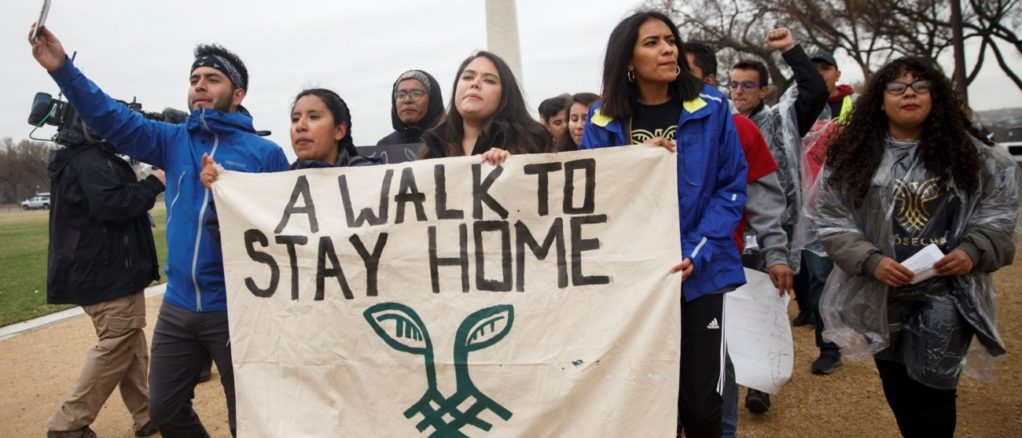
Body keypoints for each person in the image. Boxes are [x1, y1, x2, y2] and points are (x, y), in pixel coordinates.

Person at [30, 25, 290, 437]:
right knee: (164, 411)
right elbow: (110, 118)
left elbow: (284, 233)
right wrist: (63, 70)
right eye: (194, 80)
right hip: (179, 305)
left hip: (237, 309)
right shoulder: (170, 140)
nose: (199, 87)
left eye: (212, 79)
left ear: (238, 94)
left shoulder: (267, 155)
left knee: (252, 417)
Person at [812, 57, 1019, 437]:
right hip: (881, 292)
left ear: (936, 97)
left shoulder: (973, 157)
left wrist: (973, 250)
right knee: (900, 391)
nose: (909, 93)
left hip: (947, 293)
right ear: (880, 99)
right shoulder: (854, 158)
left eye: (920, 86)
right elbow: (831, 218)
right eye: (897, 87)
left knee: (934, 390)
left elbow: (999, 215)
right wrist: (870, 260)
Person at [579, 11, 747, 438]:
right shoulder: (601, 119)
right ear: (628, 60)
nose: (668, 49)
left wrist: (695, 249)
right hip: (634, 280)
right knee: (643, 399)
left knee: (702, 406)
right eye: (652, 42)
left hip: (701, 272)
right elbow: (594, 194)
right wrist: (636, 163)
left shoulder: (712, 106)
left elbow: (730, 186)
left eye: (670, 39)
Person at [684, 41, 790, 436]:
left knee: (717, 362)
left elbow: (764, 200)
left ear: (708, 81)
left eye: (683, 70)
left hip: (717, 266)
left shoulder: (739, 128)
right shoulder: (638, 127)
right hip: (659, 272)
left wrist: (777, 254)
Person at [45, 143, 164, 438]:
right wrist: (154, 183)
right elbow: (113, 204)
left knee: (129, 341)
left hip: (103, 270)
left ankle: (146, 414)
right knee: (117, 343)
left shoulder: (84, 159)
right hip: (108, 272)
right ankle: (68, 424)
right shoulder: (91, 160)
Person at [729, 30, 827, 339]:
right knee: (731, 310)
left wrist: (790, 50)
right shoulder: (720, 125)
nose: (739, 91)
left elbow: (814, 92)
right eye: (733, 84)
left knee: (765, 310)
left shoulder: (782, 121)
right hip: (731, 230)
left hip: (772, 231)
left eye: (748, 85)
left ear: (764, 90)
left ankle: (760, 384)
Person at [202, 88, 380, 187]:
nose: (300, 126)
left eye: (314, 117)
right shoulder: (279, 185)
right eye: (295, 119)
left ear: (339, 130)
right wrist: (221, 190)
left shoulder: (374, 178)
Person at [421, 51, 550, 162]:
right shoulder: (432, 147)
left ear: (506, 94)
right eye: (467, 77)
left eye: (489, 80)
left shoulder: (533, 144)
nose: (475, 84)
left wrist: (514, 166)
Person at [377, 70, 445, 146]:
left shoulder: (451, 140)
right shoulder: (385, 146)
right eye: (401, 95)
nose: (407, 100)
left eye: (416, 93)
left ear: (432, 99)